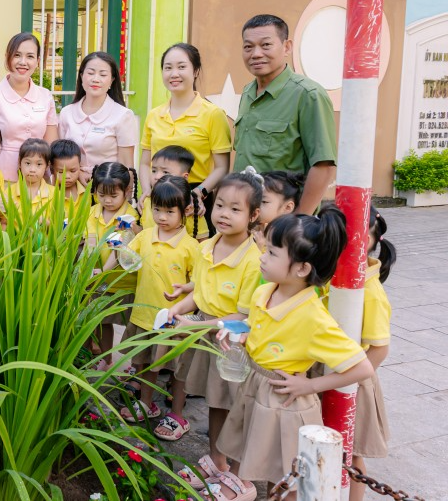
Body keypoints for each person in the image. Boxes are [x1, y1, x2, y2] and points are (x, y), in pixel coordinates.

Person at [211, 206, 374, 500]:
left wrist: (310, 385)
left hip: (284, 402)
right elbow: (256, 326)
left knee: (286, 478)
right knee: (258, 461)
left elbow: (362, 368)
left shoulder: (313, 317)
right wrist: (241, 335)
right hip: (256, 387)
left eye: (272, 253)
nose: (262, 256)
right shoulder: (265, 291)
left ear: (302, 268)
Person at [164, 171, 262, 472]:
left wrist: (194, 326)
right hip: (204, 333)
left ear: (253, 215)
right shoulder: (207, 247)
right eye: (219, 205)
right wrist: (176, 308)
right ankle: (217, 462)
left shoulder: (253, 261)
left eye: (235, 209)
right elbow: (200, 294)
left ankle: (237, 472)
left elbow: (243, 316)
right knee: (214, 402)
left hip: (231, 343)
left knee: (235, 406)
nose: (224, 214)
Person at [106, 175, 199, 423]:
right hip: (144, 315)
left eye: (169, 211)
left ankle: (176, 414)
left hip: (174, 322)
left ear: (186, 210)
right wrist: (117, 246)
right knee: (145, 365)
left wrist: (185, 290)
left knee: (177, 370)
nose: (161, 217)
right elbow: (128, 258)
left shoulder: (191, 247)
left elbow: (199, 285)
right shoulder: (145, 236)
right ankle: (146, 404)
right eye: (156, 209)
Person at [233, 14, 337, 214]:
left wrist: (299, 219)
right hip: (245, 214)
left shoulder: (308, 95)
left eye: (266, 45)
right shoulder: (247, 92)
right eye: (248, 47)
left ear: (287, 47)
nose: (256, 54)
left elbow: (323, 166)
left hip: (283, 219)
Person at [140, 44, 231, 235]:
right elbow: (145, 163)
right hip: (158, 198)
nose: (174, 73)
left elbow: (222, 168)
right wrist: (147, 191)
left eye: (181, 67)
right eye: (168, 67)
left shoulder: (213, 114)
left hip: (195, 200)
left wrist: (197, 194)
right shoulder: (154, 115)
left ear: (196, 71)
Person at [350, 207, 396, 501]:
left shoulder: (371, 291)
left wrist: (350, 381)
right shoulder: (331, 272)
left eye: (358, 235)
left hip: (354, 381)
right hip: (328, 374)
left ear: (371, 240)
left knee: (351, 453)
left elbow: (379, 349)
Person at [0, 33, 59, 181]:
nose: (23, 62)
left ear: (38, 61)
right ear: (7, 57)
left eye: (30, 56)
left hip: (37, 179)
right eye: (17, 55)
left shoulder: (45, 96)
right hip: (0, 179)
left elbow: (51, 143)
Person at [85, 162, 141, 365]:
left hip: (124, 282)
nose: (107, 200)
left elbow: (119, 250)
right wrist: (91, 269)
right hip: (101, 281)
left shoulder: (129, 217)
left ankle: (132, 364)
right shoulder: (93, 212)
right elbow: (90, 242)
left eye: (113, 195)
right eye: (101, 195)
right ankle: (106, 359)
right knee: (103, 321)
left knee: (131, 324)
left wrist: (101, 271)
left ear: (126, 191)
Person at [59, 52, 138, 180]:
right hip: (71, 186)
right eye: (90, 73)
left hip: (108, 188)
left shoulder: (123, 115)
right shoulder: (66, 113)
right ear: (81, 76)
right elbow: (59, 157)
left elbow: (126, 165)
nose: (95, 79)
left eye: (103, 74)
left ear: (112, 80)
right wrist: (79, 174)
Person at [140, 145, 206, 239]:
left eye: (165, 172)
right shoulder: (147, 201)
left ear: (184, 177)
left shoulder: (191, 207)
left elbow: (202, 242)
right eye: (154, 171)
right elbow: (143, 234)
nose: (157, 176)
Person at [254, 170, 304, 250]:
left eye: (264, 201)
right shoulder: (253, 226)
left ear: (287, 207)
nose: (256, 205)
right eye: (255, 199)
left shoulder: (285, 238)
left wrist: (259, 248)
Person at [9, 138, 55, 223]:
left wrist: (46, 223)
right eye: (28, 163)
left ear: (47, 166)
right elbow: (4, 222)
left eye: (39, 164)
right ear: (19, 163)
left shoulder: (55, 194)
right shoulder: (9, 192)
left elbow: (59, 224)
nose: (32, 169)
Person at [50, 138, 87, 218]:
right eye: (61, 172)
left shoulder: (87, 191)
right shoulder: (47, 193)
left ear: (79, 166)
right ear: (51, 169)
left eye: (73, 171)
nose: (67, 177)